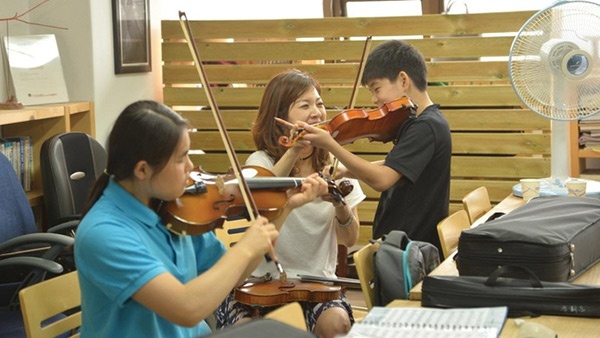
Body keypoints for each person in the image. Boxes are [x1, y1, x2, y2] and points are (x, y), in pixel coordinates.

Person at [74, 100, 328, 337]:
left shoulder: (175, 209)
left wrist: (285, 209)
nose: (190, 167)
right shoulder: (104, 233)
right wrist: (246, 248)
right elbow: (187, 309)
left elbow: (234, 277)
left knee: (277, 331)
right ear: (142, 170)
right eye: (181, 158)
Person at [216, 69, 366, 338]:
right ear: (281, 116)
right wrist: (294, 148)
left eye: (319, 103)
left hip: (317, 285)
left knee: (337, 324)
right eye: (305, 105)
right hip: (259, 285)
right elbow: (266, 193)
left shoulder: (335, 165)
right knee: (245, 332)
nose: (317, 112)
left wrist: (340, 205)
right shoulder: (260, 163)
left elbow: (350, 238)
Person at [300, 40, 452, 256]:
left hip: (409, 250)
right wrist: (345, 171)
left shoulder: (426, 126)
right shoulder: (423, 122)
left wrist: (330, 144)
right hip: (405, 246)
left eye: (377, 88)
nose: (374, 99)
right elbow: (398, 166)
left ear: (403, 79)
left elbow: (383, 179)